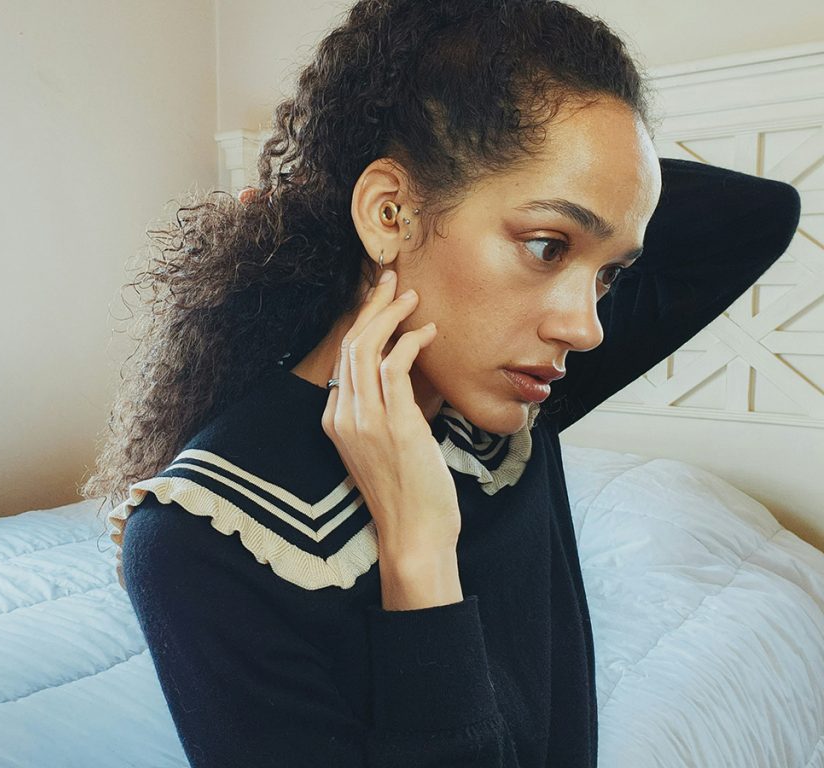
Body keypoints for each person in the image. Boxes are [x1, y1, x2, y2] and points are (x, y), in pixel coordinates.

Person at [83, 1, 802, 765]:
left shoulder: (517, 388)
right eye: (548, 245)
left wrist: (598, 193)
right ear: (388, 212)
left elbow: (760, 216)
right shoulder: (201, 536)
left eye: (611, 275)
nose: (586, 328)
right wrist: (419, 553)